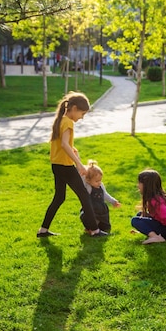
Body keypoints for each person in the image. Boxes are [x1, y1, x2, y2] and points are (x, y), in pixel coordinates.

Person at [37, 92, 107, 238]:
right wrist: (79, 164)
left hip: (57, 165)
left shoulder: (61, 120)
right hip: (65, 166)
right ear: (74, 109)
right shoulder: (68, 122)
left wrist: (73, 150)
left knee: (59, 197)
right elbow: (64, 144)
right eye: (82, 113)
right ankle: (95, 230)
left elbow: (62, 144)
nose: (82, 117)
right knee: (84, 196)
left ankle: (43, 230)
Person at [131, 169, 166, 244]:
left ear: (147, 185)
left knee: (135, 220)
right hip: (165, 227)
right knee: (140, 214)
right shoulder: (154, 198)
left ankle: (156, 237)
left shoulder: (158, 201)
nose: (138, 185)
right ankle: (153, 235)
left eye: (139, 183)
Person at [81, 160, 121, 233]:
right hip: (93, 208)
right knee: (92, 219)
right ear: (88, 180)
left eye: (100, 180)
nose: (99, 182)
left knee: (106, 227)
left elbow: (105, 194)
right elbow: (82, 177)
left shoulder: (101, 185)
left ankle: (98, 228)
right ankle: (91, 229)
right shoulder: (88, 187)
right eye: (96, 181)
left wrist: (113, 201)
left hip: (101, 208)